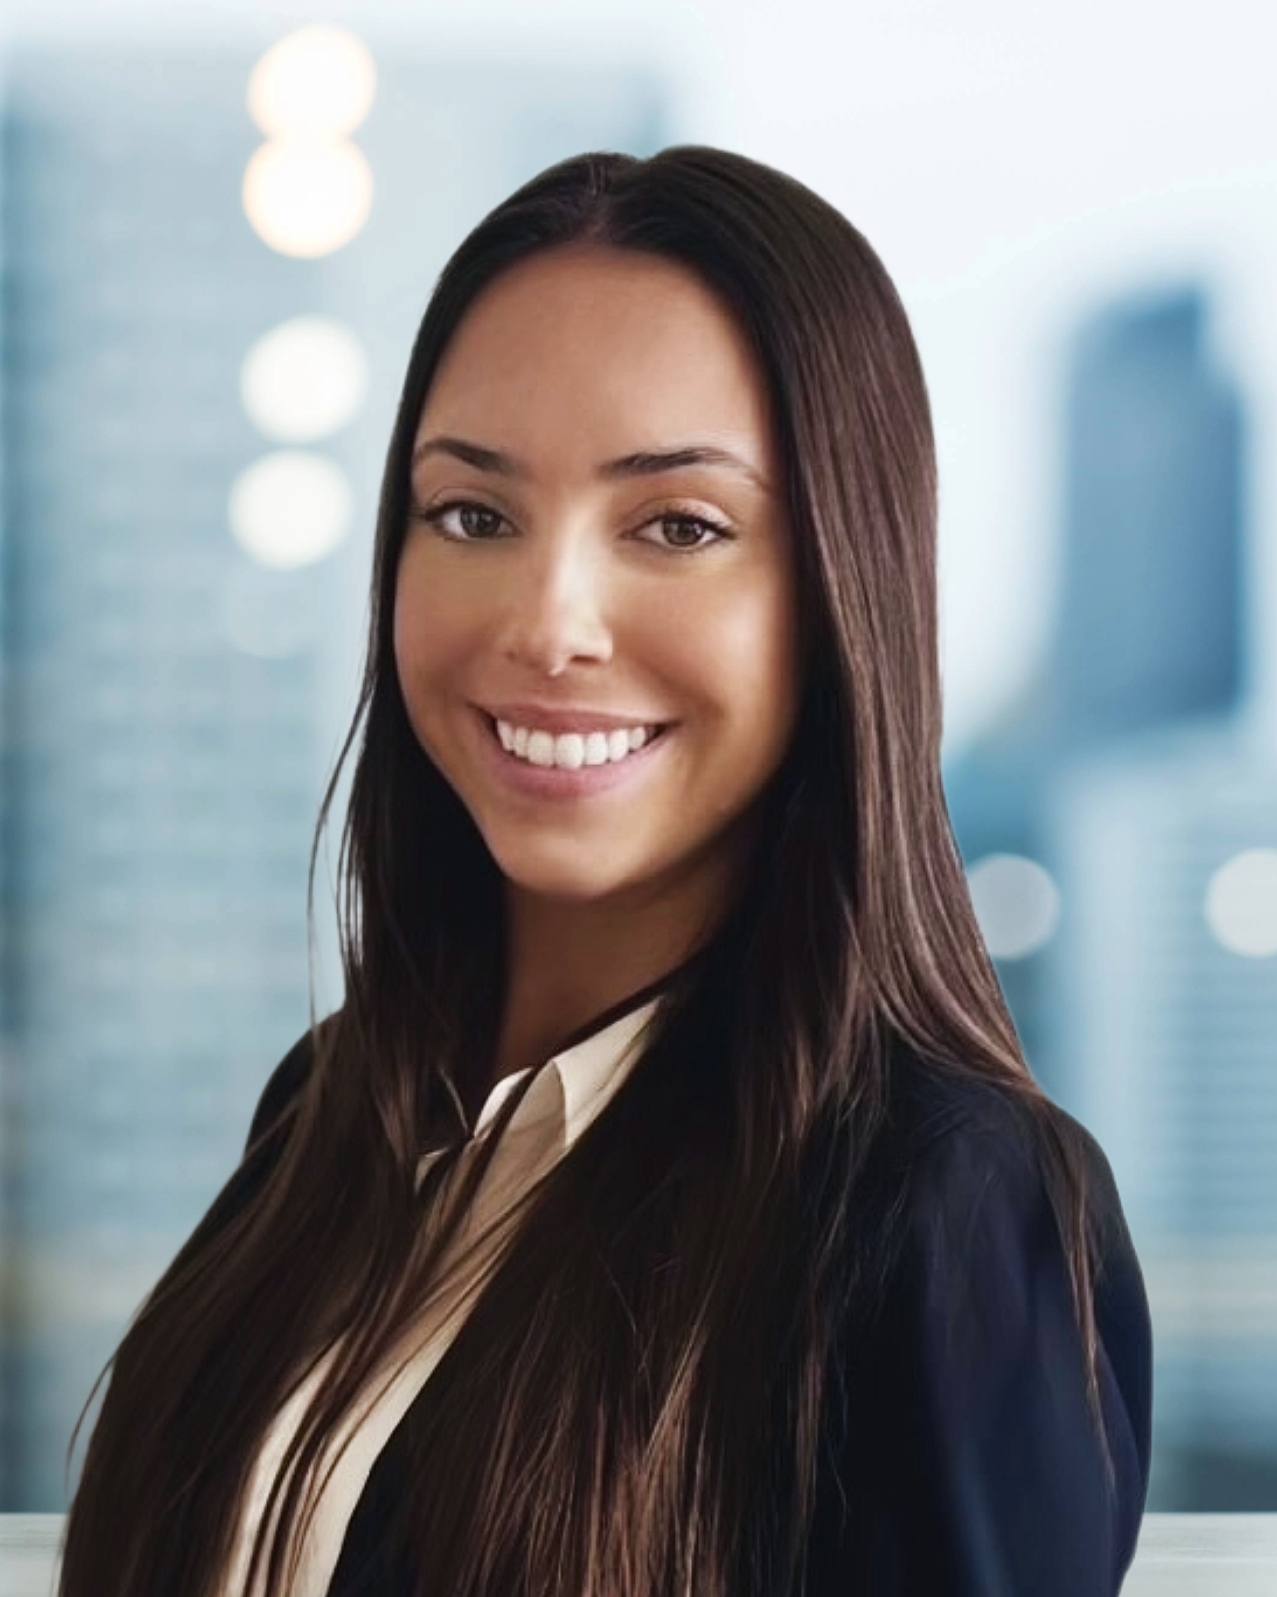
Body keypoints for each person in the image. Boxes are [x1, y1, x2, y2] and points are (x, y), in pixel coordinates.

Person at [56, 144, 1153, 1597]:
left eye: (678, 527)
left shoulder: (950, 1213)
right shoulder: (334, 1111)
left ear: (841, 593)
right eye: (474, 515)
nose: (547, 620)